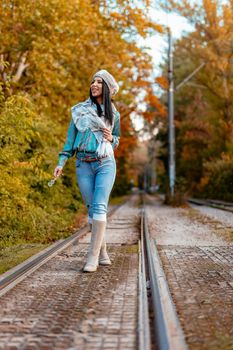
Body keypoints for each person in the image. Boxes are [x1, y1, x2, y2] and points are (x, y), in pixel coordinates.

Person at [53, 70, 120, 272]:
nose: (94, 84)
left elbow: (116, 139)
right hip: (83, 165)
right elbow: (69, 140)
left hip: (105, 163)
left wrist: (111, 139)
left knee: (100, 207)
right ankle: (102, 251)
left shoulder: (113, 114)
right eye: (93, 81)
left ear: (106, 88)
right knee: (92, 210)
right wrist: (61, 162)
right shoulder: (79, 110)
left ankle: (91, 259)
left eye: (99, 82)